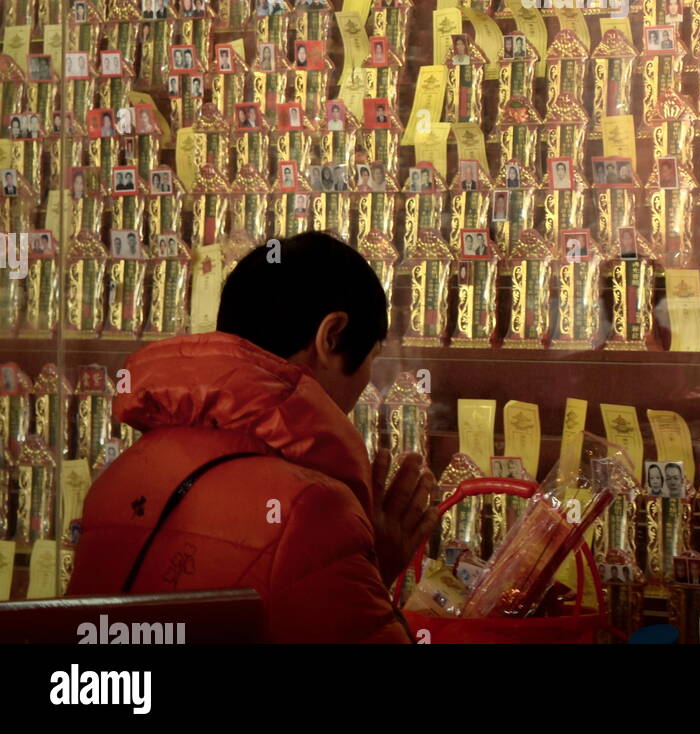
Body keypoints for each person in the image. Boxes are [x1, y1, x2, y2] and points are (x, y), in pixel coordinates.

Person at [68, 233, 436, 642]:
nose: (366, 384)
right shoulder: (312, 510)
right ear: (331, 337)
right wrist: (366, 564)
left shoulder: (118, 478)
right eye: (372, 358)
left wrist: (358, 569)